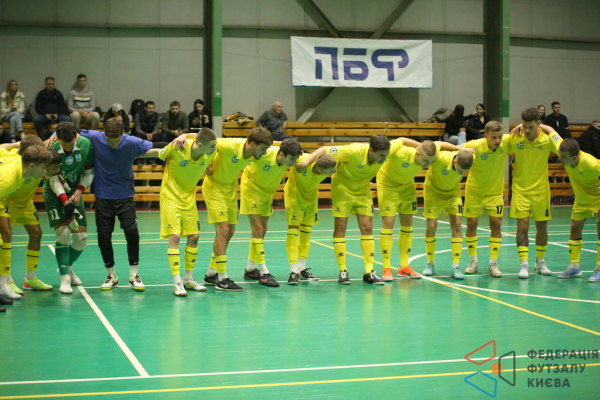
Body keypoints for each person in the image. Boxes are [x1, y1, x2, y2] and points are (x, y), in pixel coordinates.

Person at [173, 127, 272, 292]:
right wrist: (183, 135)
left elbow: (276, 145)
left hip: (230, 189)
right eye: (263, 149)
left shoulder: (255, 152)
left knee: (230, 231)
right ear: (252, 144)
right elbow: (205, 139)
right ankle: (222, 278)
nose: (265, 153)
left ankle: (211, 274)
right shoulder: (230, 145)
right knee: (223, 230)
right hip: (214, 188)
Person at [78, 118, 163, 291]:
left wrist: (181, 139)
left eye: (116, 141)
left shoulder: (132, 142)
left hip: (125, 196)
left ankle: (134, 275)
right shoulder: (95, 137)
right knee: (104, 236)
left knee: (132, 233)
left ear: (123, 134)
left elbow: (157, 144)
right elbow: (70, 130)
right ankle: (111, 275)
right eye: (110, 141)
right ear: (104, 133)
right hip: (102, 197)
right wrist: (54, 135)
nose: (113, 144)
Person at [309, 134, 393, 285]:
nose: (384, 158)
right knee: (341, 227)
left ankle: (369, 271)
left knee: (367, 227)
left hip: (363, 191)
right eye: (381, 155)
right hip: (342, 189)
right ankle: (343, 270)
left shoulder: (384, 153)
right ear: (371, 150)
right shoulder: (352, 151)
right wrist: (305, 164)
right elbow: (324, 149)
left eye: (386, 155)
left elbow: (403, 141)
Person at [377, 139, 462, 281]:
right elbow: (401, 140)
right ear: (417, 154)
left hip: (407, 186)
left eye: (431, 161)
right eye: (426, 161)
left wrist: (460, 149)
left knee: (407, 223)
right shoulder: (400, 153)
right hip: (387, 185)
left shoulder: (429, 153)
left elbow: (439, 143)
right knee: (388, 223)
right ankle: (386, 268)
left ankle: (404, 267)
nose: (428, 165)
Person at [0, 137, 61, 298]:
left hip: (25, 203)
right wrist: (16, 144)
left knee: (36, 233)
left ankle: (29, 279)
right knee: (4, 238)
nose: (45, 171)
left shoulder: (35, 159)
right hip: (6, 200)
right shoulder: (11, 175)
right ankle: (6, 281)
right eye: (44, 167)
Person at [159, 128, 217, 296]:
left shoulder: (211, 152)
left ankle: (188, 279)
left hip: (189, 197)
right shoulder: (177, 147)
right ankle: (177, 282)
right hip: (170, 196)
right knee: (175, 237)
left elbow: (204, 138)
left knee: (194, 237)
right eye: (212, 145)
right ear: (199, 144)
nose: (215, 148)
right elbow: (158, 154)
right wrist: (182, 135)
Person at [509, 109, 563, 279]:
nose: (526, 130)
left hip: (541, 191)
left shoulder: (547, 140)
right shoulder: (515, 137)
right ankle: (524, 264)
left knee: (542, 227)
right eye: (524, 126)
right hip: (520, 191)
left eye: (530, 127)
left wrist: (548, 128)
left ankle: (540, 262)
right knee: (522, 227)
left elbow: (561, 145)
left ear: (539, 124)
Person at [241, 139, 303, 287]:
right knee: (258, 229)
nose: (294, 163)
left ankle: (250, 269)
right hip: (251, 190)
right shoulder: (264, 154)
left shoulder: (286, 157)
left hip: (267, 194)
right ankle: (264, 273)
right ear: (281, 154)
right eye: (292, 159)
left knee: (263, 230)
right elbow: (245, 147)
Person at [44, 122, 94, 294]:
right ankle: (64, 278)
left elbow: (88, 173)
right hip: (54, 192)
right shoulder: (52, 147)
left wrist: (79, 191)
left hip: (74, 192)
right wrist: (65, 202)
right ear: (57, 138)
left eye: (71, 144)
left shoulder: (86, 145)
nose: (68, 148)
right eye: (64, 145)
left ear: (76, 137)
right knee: (63, 233)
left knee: (81, 238)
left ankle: (67, 266)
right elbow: (53, 179)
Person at [462, 121, 510, 278]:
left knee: (496, 225)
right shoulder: (475, 145)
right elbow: (455, 149)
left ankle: (493, 264)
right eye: (494, 137)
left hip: (495, 193)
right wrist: (462, 150)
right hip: (474, 192)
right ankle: (473, 261)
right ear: (486, 136)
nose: (498, 140)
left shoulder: (506, 142)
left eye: (500, 136)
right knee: (471, 224)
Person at [284, 153, 336, 284]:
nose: (334, 172)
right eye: (331, 171)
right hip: (294, 198)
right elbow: (287, 150)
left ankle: (301, 268)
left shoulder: (326, 164)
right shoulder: (300, 159)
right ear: (320, 170)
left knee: (306, 232)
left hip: (311, 199)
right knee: (293, 232)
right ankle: (293, 270)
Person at [422, 149, 474, 279]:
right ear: (454, 161)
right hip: (433, 192)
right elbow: (435, 145)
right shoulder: (441, 158)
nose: (460, 174)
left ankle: (455, 266)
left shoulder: (470, 158)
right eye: (459, 171)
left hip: (453, 193)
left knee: (457, 226)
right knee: (431, 226)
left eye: (463, 172)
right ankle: (430, 263)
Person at [556, 139, 600, 281]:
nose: (560, 158)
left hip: (598, 199)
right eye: (560, 155)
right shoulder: (565, 151)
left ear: (575, 157)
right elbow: (551, 131)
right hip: (581, 200)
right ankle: (574, 267)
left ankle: (599, 268)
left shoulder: (592, 165)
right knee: (575, 229)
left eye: (563, 157)